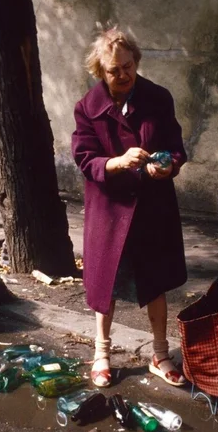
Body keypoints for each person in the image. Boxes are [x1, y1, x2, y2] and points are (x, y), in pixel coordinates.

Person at [71, 28, 188, 388]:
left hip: (153, 209)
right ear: (99, 71)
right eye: (113, 70)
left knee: (155, 283)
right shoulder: (87, 108)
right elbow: (85, 158)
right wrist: (118, 162)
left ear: (136, 61)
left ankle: (160, 354)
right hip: (110, 210)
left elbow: (175, 147)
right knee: (105, 284)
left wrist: (167, 165)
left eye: (128, 66)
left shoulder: (157, 98)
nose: (122, 75)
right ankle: (102, 354)